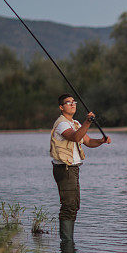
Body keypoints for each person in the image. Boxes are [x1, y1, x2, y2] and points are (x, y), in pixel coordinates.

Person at [50, 93, 111, 243]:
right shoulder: (62, 124)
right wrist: (88, 122)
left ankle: (68, 240)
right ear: (61, 107)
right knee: (69, 205)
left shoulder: (75, 123)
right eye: (68, 102)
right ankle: (66, 241)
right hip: (64, 169)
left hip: (73, 169)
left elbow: (88, 142)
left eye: (74, 102)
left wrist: (101, 141)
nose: (72, 104)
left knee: (74, 204)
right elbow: (76, 137)